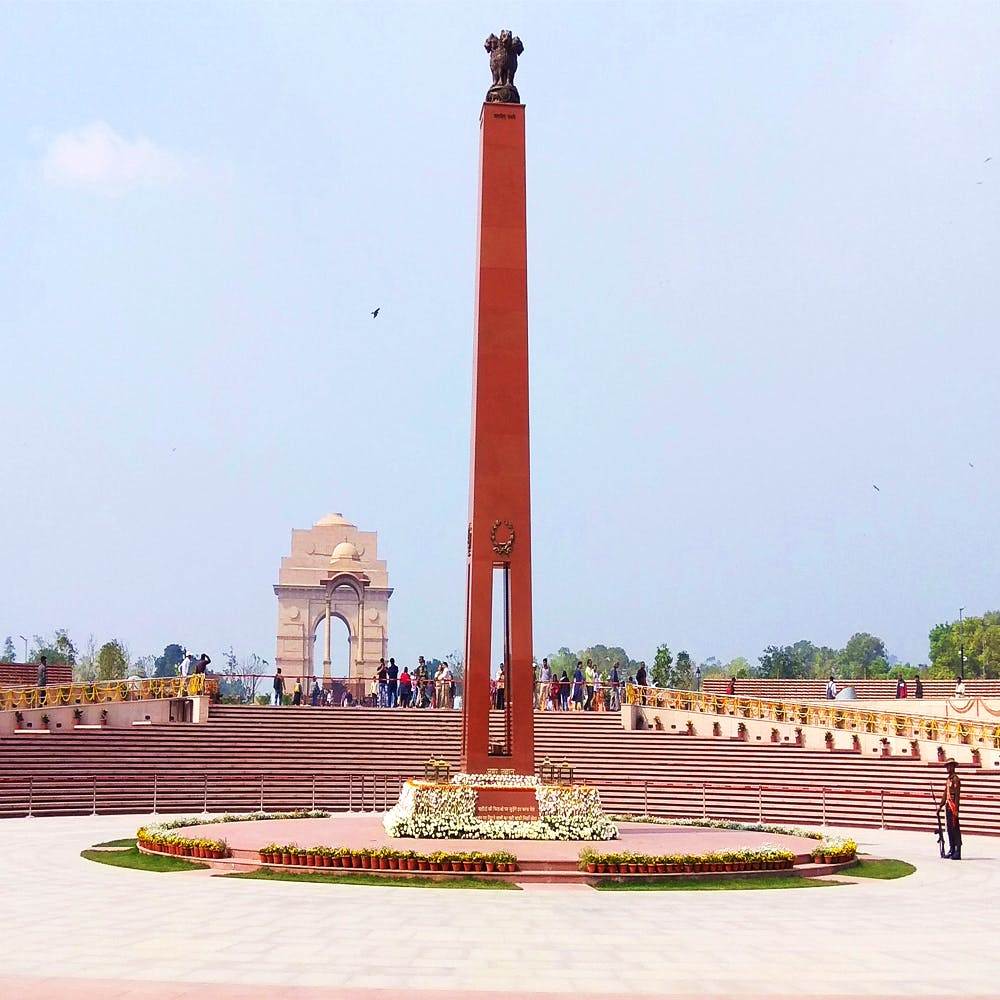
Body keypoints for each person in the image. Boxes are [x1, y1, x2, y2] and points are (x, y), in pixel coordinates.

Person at [939, 759, 962, 860]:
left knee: (955, 830)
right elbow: (945, 794)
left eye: (949, 766)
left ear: (953, 767)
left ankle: (957, 851)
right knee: (949, 830)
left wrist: (956, 810)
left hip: (953, 808)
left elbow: (957, 796)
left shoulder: (956, 779)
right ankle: (952, 849)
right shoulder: (948, 780)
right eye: (947, 766)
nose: (947, 768)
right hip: (948, 807)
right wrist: (940, 805)